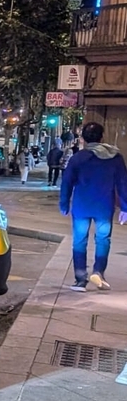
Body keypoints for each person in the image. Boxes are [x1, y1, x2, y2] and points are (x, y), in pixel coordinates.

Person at [59, 121, 127, 292]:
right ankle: (99, 272)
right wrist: (125, 207)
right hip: (104, 206)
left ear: (83, 138)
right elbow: (122, 183)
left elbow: (67, 182)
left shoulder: (78, 158)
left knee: (79, 241)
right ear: (102, 136)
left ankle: (80, 279)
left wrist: (64, 203)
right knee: (103, 240)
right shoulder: (115, 157)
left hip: (81, 206)